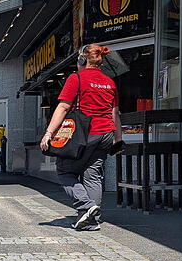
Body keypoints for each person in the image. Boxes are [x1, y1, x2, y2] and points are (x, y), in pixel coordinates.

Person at [40, 44, 123, 231]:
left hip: (85, 135)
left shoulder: (76, 78)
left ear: (82, 60)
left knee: (64, 171)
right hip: (106, 135)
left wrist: (48, 134)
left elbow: (63, 108)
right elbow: (115, 114)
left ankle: (86, 206)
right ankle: (91, 221)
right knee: (93, 176)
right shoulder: (110, 82)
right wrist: (118, 140)